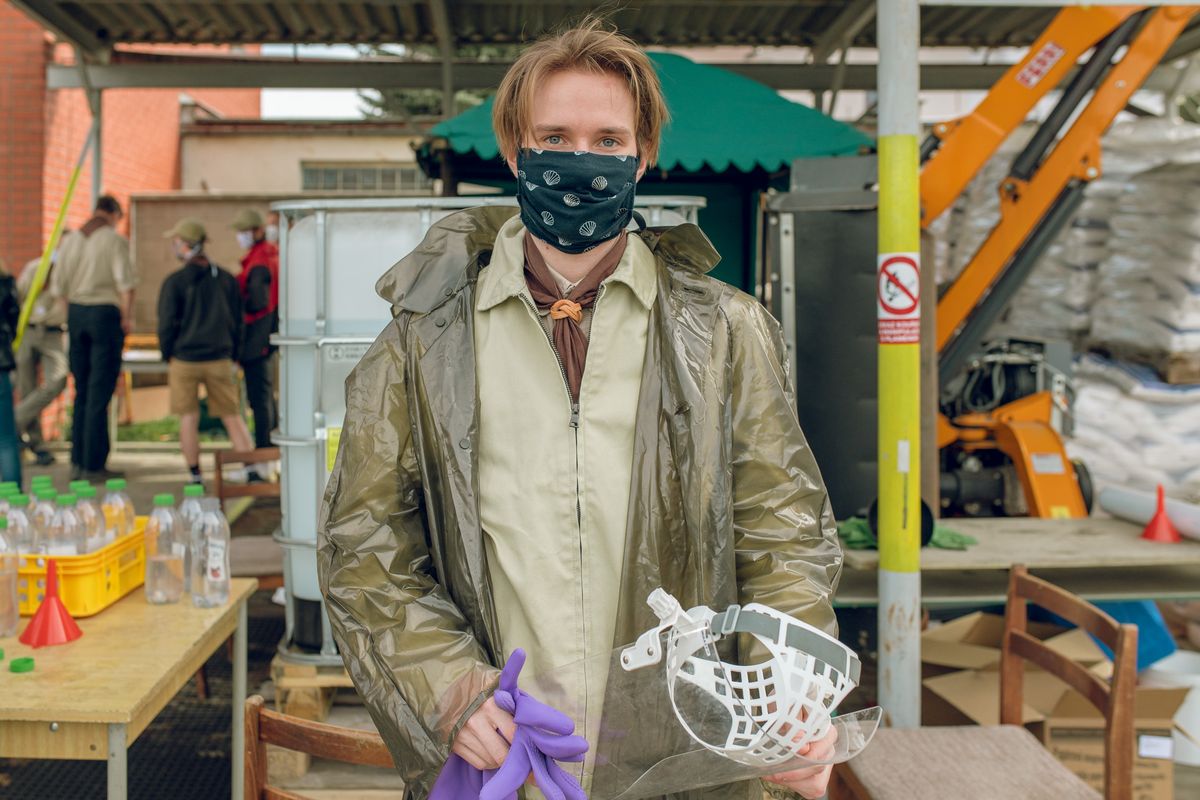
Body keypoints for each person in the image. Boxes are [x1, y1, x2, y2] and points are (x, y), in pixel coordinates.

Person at [317, 19, 842, 800]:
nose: (581, 161)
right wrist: (450, 686)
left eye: (608, 140)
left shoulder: (723, 331)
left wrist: (787, 687)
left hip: (681, 757)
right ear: (515, 151)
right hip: (509, 758)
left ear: (643, 154)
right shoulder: (426, 339)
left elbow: (781, 529)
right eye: (555, 137)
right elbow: (366, 544)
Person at [157, 218, 261, 485]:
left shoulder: (175, 282)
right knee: (232, 416)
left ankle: (195, 476)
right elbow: (238, 322)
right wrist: (235, 354)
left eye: (177, 242)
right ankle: (250, 471)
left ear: (187, 245)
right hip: (220, 359)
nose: (175, 247)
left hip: (184, 360)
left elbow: (166, 323)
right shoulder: (226, 280)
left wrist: (167, 354)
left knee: (188, 418)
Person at [52, 195, 137, 481]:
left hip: (76, 314)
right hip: (104, 315)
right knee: (100, 393)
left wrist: (71, 317)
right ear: (114, 214)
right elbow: (126, 285)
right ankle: (94, 464)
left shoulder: (70, 241)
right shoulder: (113, 240)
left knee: (82, 390)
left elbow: (58, 288)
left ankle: (77, 461)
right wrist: (126, 318)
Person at [231, 208, 279, 453]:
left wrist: (236, 302)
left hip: (257, 337)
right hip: (264, 336)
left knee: (259, 398)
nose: (240, 236)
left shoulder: (260, 262)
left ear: (258, 231)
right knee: (265, 395)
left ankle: (264, 451)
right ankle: (270, 447)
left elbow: (258, 301)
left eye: (244, 231)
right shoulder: (266, 255)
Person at [15, 251, 69, 466]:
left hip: (54, 332)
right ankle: (36, 444)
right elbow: (19, 295)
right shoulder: (35, 267)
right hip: (28, 329)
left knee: (58, 379)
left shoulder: (69, 270)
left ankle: (15, 420)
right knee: (26, 387)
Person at [0, 261, 23, 485]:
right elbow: (13, 322)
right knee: (6, 439)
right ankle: (13, 499)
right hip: (1, 365)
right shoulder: (5, 281)